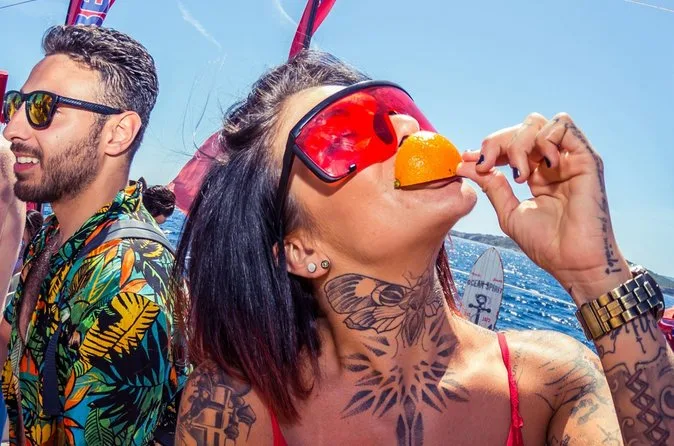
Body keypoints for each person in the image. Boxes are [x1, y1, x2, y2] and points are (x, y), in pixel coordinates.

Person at [173, 51, 673, 445]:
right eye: (343, 134)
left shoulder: (555, 381)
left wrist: (595, 276)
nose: (407, 128)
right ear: (299, 250)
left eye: (397, 111)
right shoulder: (233, 406)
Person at [0, 25, 187, 445]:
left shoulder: (128, 281)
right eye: (15, 104)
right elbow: (17, 346)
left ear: (118, 132)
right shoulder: (54, 237)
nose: (12, 128)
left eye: (43, 108)